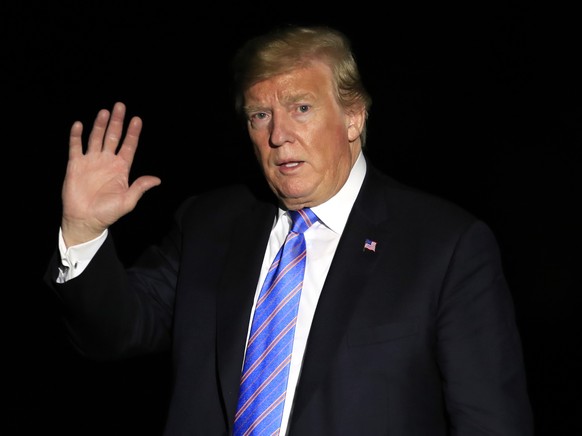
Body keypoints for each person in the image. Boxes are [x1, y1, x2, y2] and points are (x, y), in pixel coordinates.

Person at [44, 24, 534, 435]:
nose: (278, 135)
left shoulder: (445, 245)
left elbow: (491, 423)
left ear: (353, 116)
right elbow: (113, 333)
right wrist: (83, 231)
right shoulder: (208, 224)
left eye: (301, 107)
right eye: (261, 115)